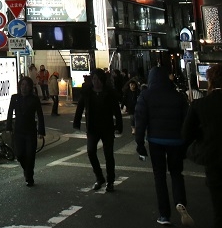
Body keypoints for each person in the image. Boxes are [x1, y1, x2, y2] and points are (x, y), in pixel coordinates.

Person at [135, 65, 194, 226]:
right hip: (176, 141)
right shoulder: (178, 96)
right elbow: (187, 121)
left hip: (156, 141)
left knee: (159, 176)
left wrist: (140, 145)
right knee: (176, 173)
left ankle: (164, 215)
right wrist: (186, 143)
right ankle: (180, 201)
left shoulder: (146, 96)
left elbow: (140, 122)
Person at [183, 63, 222, 228]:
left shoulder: (200, 105)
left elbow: (185, 135)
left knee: (219, 207)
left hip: (214, 160)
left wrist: (203, 135)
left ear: (211, 81)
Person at [73, 68, 123, 192]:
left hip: (107, 127)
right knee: (90, 151)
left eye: (98, 79)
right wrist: (77, 122)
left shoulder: (109, 93)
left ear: (102, 80)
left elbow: (116, 110)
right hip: (92, 127)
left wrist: (119, 126)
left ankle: (110, 181)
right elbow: (80, 108)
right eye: (94, 79)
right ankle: (99, 177)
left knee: (108, 155)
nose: (96, 81)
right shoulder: (87, 92)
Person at [6, 76, 45, 186]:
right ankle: (27, 171)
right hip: (18, 131)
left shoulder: (34, 99)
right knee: (19, 155)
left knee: (30, 155)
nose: (24, 87)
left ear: (30, 87)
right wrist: (8, 127)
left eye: (27, 85)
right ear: (19, 86)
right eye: (22, 85)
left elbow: (40, 115)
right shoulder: (15, 98)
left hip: (30, 131)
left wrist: (41, 131)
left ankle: (29, 176)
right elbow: (10, 113)